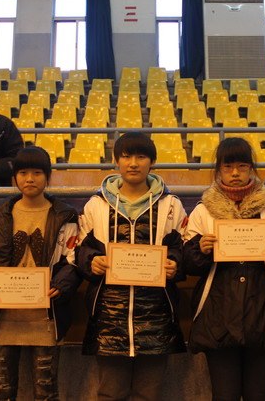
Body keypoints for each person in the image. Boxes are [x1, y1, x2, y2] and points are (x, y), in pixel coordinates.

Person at [183, 137, 265, 401]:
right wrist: (200, 250)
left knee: (259, 395)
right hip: (218, 314)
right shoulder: (202, 211)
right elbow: (187, 262)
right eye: (228, 167)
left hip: (264, 312)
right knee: (224, 395)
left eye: (242, 166)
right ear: (218, 170)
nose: (235, 173)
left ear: (251, 169)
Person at [76, 132, 188, 401]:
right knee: (110, 393)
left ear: (152, 162)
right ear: (116, 161)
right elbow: (80, 248)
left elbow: (183, 248)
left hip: (156, 314)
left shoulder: (171, 205)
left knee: (148, 394)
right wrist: (92, 261)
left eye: (141, 157)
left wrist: (175, 265)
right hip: (109, 314)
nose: (134, 163)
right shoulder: (96, 205)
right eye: (126, 157)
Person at [0, 146, 81, 401]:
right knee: (2, 392)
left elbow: (72, 261)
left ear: (48, 177)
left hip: (46, 318)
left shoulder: (65, 216)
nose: (30, 179)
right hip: (2, 318)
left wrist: (61, 285)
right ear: (14, 177)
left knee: (46, 392)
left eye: (37, 173)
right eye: (23, 173)